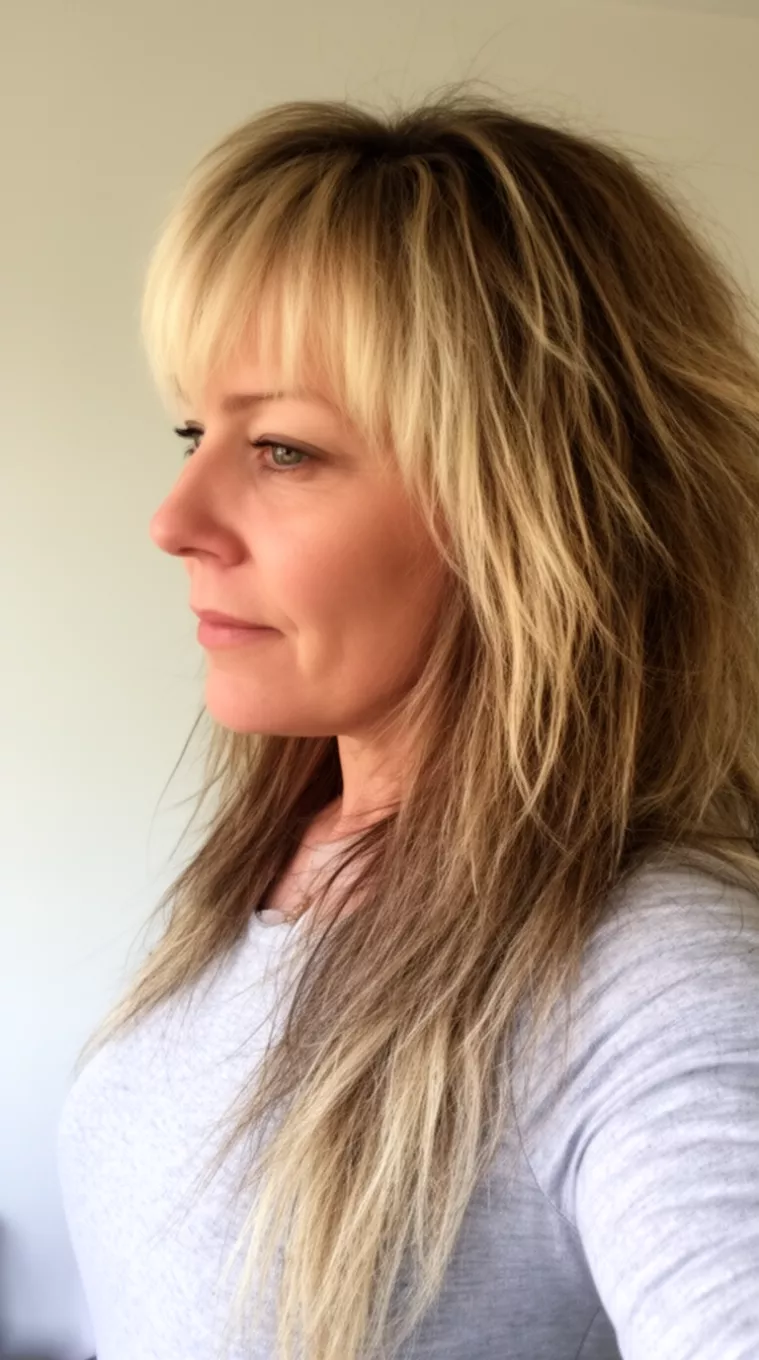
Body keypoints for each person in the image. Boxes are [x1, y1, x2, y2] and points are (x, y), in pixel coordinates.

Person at [57, 84, 759, 1360]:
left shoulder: (647, 979)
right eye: (192, 429)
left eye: (282, 450)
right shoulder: (280, 858)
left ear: (532, 510)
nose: (175, 517)